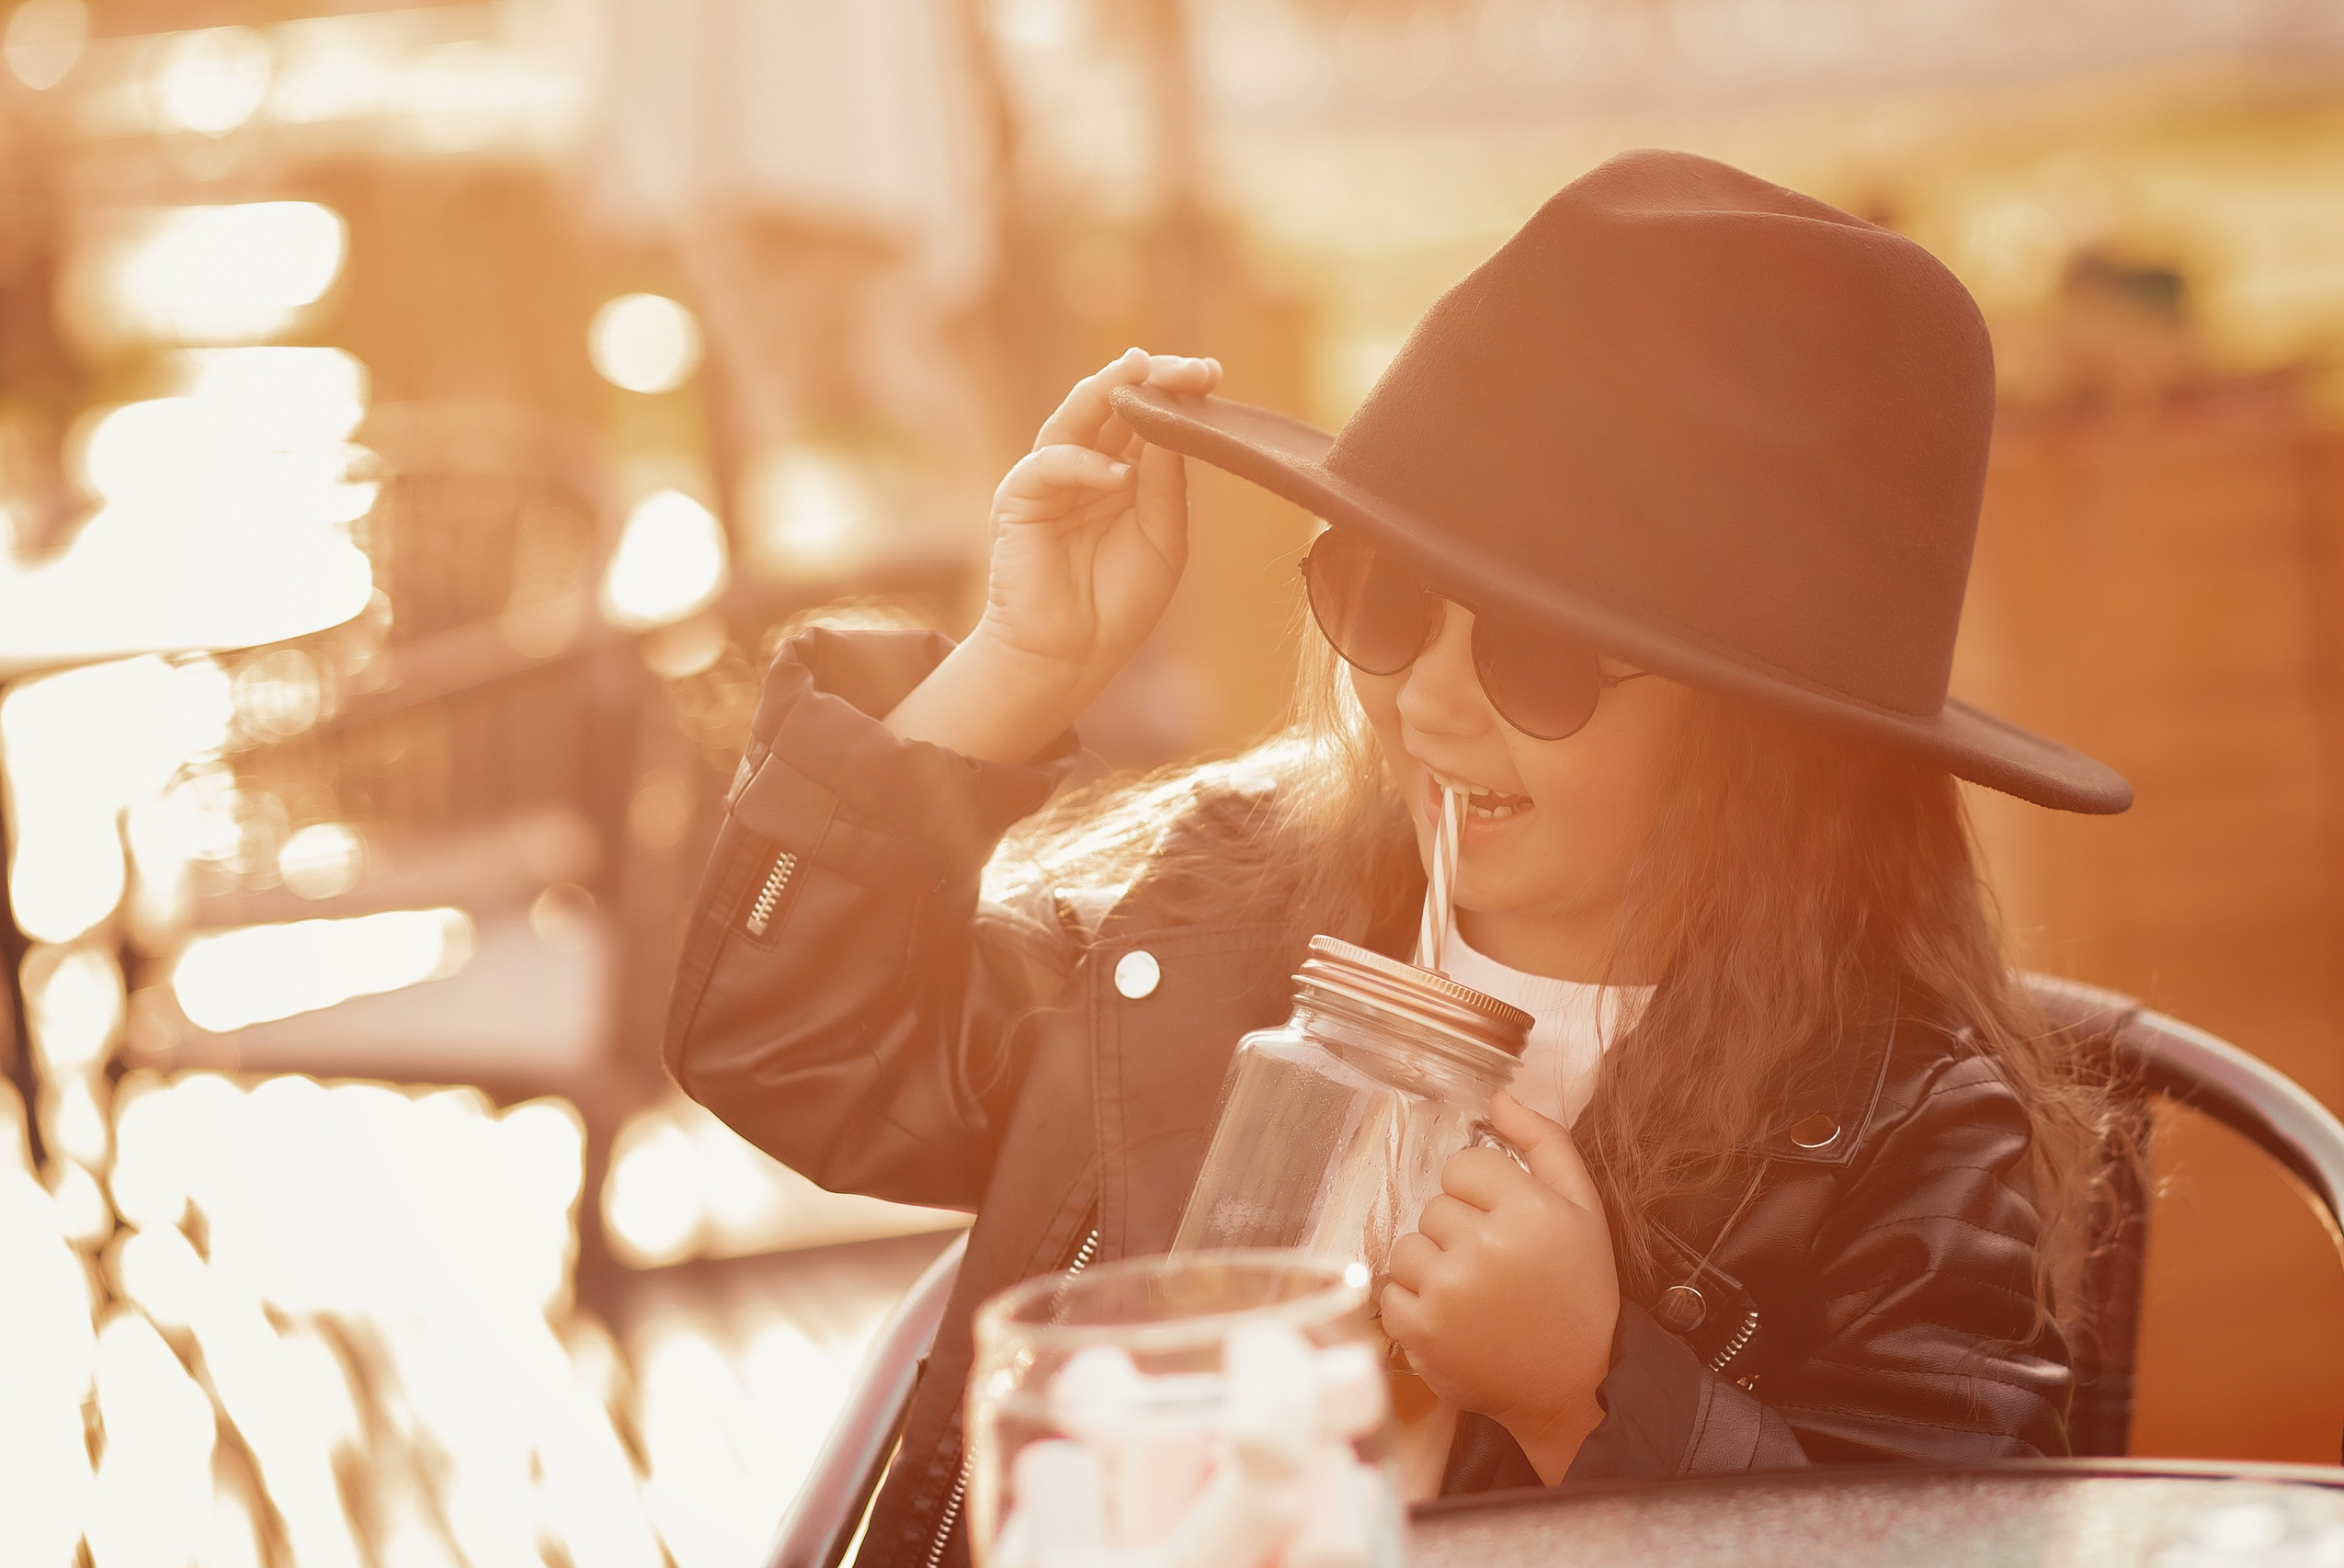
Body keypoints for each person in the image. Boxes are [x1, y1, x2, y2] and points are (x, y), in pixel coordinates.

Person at [665, 150, 2135, 1566]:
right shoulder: (1216, 915)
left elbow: (1947, 1537)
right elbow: (793, 1044)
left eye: (1537, 656)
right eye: (1389, 599)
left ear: (1771, 743)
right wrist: (1020, 664)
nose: (1427, 698)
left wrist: (1589, 1390)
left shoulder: (1900, 1138)